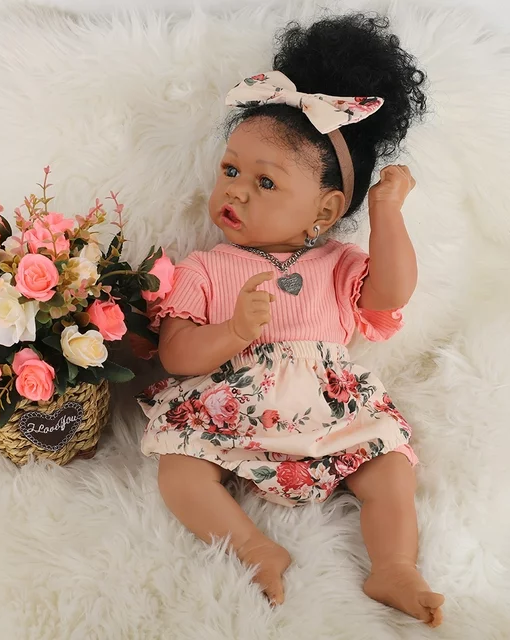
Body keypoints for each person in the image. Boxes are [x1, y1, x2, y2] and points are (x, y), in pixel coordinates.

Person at [137, 13, 444, 627]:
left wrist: (386, 210)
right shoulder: (205, 268)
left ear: (325, 211)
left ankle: (394, 567)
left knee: (389, 465)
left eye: (265, 182)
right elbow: (175, 354)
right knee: (179, 466)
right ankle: (254, 547)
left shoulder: (337, 265)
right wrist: (231, 333)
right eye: (230, 170)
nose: (236, 191)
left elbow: (391, 293)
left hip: (333, 415)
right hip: (231, 412)